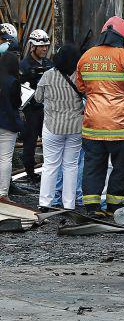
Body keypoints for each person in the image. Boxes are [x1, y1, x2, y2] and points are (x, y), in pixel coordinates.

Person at [76, 16, 124, 217]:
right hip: (122, 127)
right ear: (123, 37)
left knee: (93, 167)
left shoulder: (86, 56)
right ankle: (114, 208)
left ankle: (92, 208)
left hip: (92, 126)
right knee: (122, 168)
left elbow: (81, 87)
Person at [35, 44, 84, 211]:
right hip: (75, 127)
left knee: (50, 165)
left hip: (52, 126)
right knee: (71, 165)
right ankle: (69, 204)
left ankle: (44, 203)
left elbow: (38, 98)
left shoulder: (47, 76)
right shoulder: (80, 78)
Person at [19, 29, 53, 184]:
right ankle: (30, 173)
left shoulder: (48, 64)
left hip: (47, 109)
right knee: (30, 142)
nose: (45, 49)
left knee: (49, 141)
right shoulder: (24, 66)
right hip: (31, 110)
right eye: (41, 46)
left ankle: (49, 172)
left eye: (46, 46)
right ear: (33, 47)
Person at [0, 53, 23, 202]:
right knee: (5, 159)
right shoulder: (13, 82)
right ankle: (2, 193)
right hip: (7, 123)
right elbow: (17, 103)